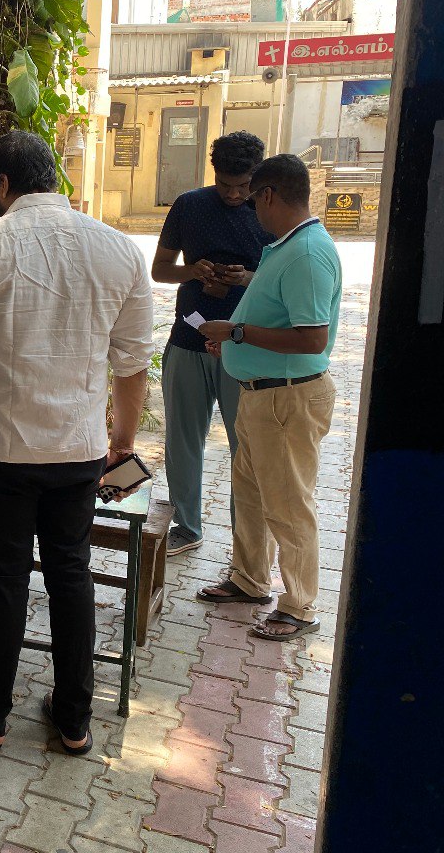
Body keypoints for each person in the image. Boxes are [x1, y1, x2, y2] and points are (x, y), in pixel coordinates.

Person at [0, 131, 154, 756]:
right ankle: (74, 720)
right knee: (72, 574)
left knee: (6, 578)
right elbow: (133, 364)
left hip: (0, 452)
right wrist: (121, 442)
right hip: (79, 451)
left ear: (1, 186)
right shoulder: (119, 252)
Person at [196, 154, 341, 642]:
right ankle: (249, 579)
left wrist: (236, 331)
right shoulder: (287, 246)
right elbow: (278, 319)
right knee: (252, 495)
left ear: (271, 195)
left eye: (255, 198)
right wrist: (237, 340)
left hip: (287, 400)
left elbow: (311, 338)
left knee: (289, 504)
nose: (251, 208)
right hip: (261, 396)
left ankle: (300, 605)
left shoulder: (306, 253)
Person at [152, 131, 272, 556]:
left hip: (246, 345)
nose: (235, 194)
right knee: (183, 439)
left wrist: (246, 279)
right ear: (213, 174)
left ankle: (248, 545)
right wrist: (193, 271)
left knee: (248, 447)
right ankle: (187, 526)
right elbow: (160, 270)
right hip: (190, 338)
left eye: (244, 185)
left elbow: (283, 285)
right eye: (225, 184)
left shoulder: (269, 212)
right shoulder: (189, 205)